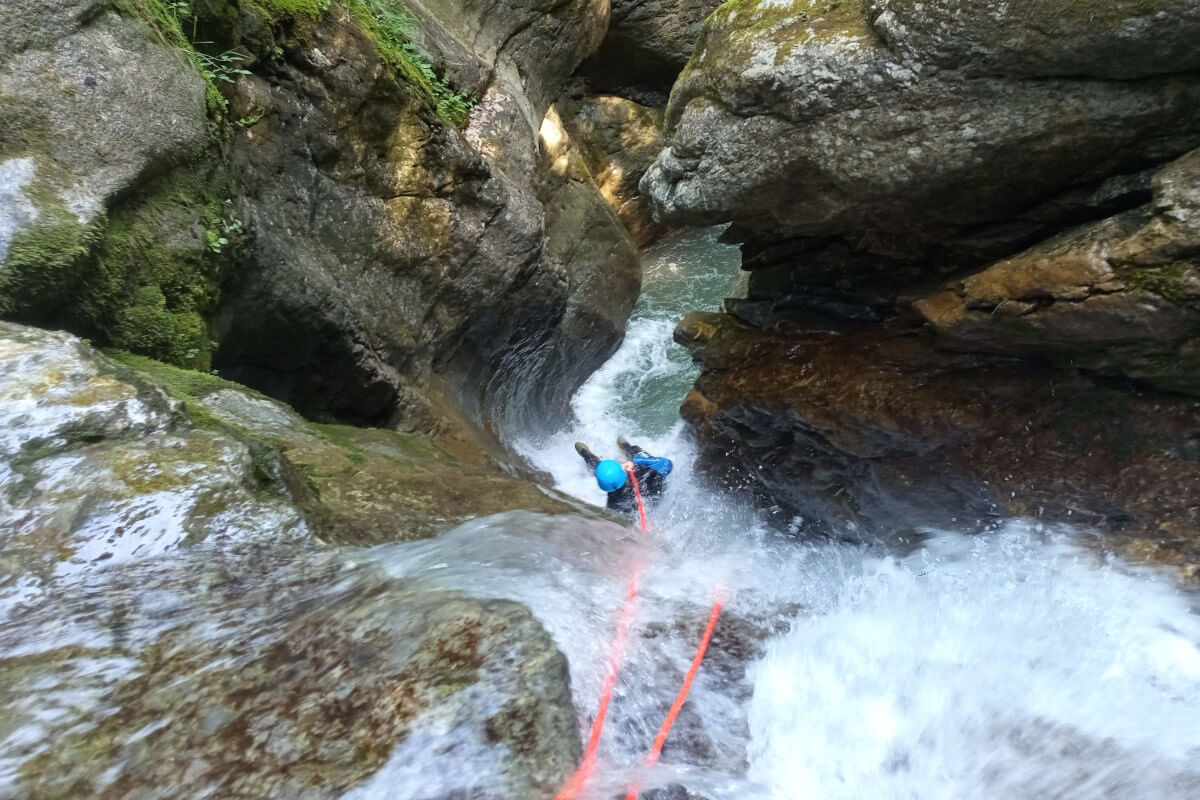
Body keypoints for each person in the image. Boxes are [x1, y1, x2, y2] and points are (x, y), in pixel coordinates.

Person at [575, 436, 673, 518]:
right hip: (654, 501)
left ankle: (586, 454)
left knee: (599, 467)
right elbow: (667, 463)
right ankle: (628, 447)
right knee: (637, 456)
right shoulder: (648, 476)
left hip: (643, 503)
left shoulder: (613, 501)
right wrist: (635, 462)